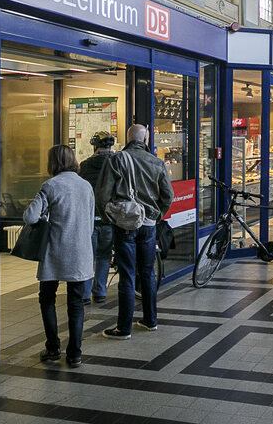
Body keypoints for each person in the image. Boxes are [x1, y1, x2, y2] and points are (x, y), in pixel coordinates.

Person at [97, 124, 173, 340]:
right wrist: (156, 217)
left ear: (128, 138)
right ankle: (150, 320)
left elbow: (102, 195)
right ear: (145, 140)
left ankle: (124, 328)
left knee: (127, 275)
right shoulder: (157, 162)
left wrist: (110, 218)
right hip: (149, 226)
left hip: (125, 225)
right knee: (148, 273)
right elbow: (168, 195)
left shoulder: (117, 160)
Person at [24, 144, 95, 367]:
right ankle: (75, 354)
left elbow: (30, 217)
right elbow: (91, 222)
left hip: (55, 251)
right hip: (80, 252)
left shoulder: (50, 186)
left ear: (52, 162)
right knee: (76, 303)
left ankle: (53, 347)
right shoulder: (85, 186)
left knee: (47, 298)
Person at [78, 130, 117, 303]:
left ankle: (85, 294)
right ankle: (100, 291)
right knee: (104, 256)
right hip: (109, 218)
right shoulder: (117, 163)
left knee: (88, 257)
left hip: (89, 219)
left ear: (95, 147)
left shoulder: (85, 165)